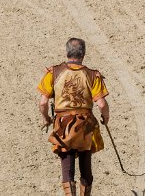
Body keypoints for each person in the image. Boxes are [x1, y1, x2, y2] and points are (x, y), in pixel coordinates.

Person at [38, 37, 109, 196]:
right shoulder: (92, 75)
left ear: (67, 52)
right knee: (86, 170)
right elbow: (102, 104)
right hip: (85, 127)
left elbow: (43, 103)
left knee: (67, 171)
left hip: (63, 126)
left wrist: (46, 119)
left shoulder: (54, 73)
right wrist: (106, 118)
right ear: (83, 54)